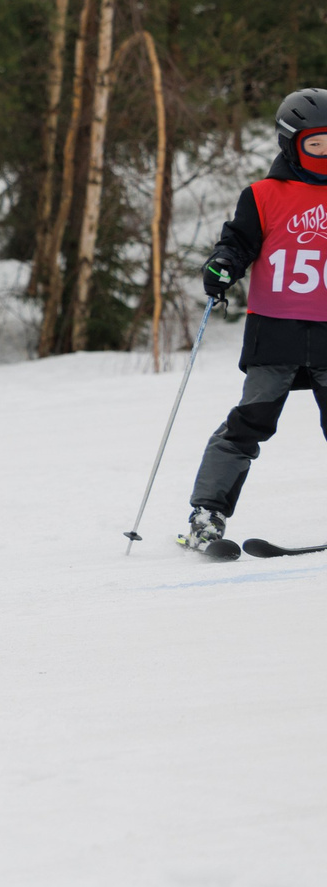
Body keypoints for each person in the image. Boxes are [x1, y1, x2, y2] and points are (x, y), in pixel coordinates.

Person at [179, 89, 327, 559]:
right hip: (276, 331)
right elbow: (237, 243)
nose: (326, 155)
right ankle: (206, 515)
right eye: (316, 145)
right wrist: (223, 265)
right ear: (290, 145)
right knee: (249, 423)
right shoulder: (263, 196)